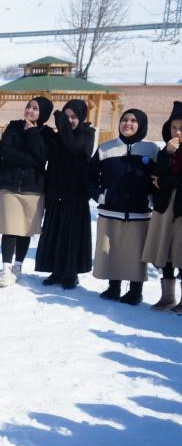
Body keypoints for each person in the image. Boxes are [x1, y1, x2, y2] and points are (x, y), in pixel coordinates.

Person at [91, 109, 159, 304]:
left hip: (139, 212)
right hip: (110, 210)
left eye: (133, 121)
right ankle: (114, 287)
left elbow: (158, 177)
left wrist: (151, 199)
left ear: (142, 125)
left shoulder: (151, 150)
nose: (128, 124)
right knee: (112, 250)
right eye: (124, 120)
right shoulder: (105, 148)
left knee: (135, 253)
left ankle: (135, 292)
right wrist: (99, 196)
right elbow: (90, 177)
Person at [36, 100, 96, 289]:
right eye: (66, 116)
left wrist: (61, 124)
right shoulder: (59, 136)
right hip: (56, 190)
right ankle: (56, 270)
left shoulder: (86, 134)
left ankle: (71, 273)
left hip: (75, 193)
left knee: (71, 235)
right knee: (55, 232)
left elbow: (73, 146)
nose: (69, 121)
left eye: (73, 117)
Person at [0, 97, 52, 288]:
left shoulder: (46, 133)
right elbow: (6, 152)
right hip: (10, 185)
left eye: (35, 108)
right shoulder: (13, 127)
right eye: (29, 107)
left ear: (43, 112)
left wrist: (33, 133)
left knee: (25, 230)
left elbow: (41, 157)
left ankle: (18, 267)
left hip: (33, 188)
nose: (30, 111)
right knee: (10, 229)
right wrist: (29, 159)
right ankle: (6, 269)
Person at [143, 102, 182, 312]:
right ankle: (167, 297)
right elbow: (155, 175)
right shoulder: (165, 150)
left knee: (181, 252)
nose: (178, 132)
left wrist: (165, 182)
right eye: (174, 128)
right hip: (164, 207)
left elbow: (166, 180)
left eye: (181, 128)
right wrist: (167, 153)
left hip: (181, 209)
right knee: (164, 250)